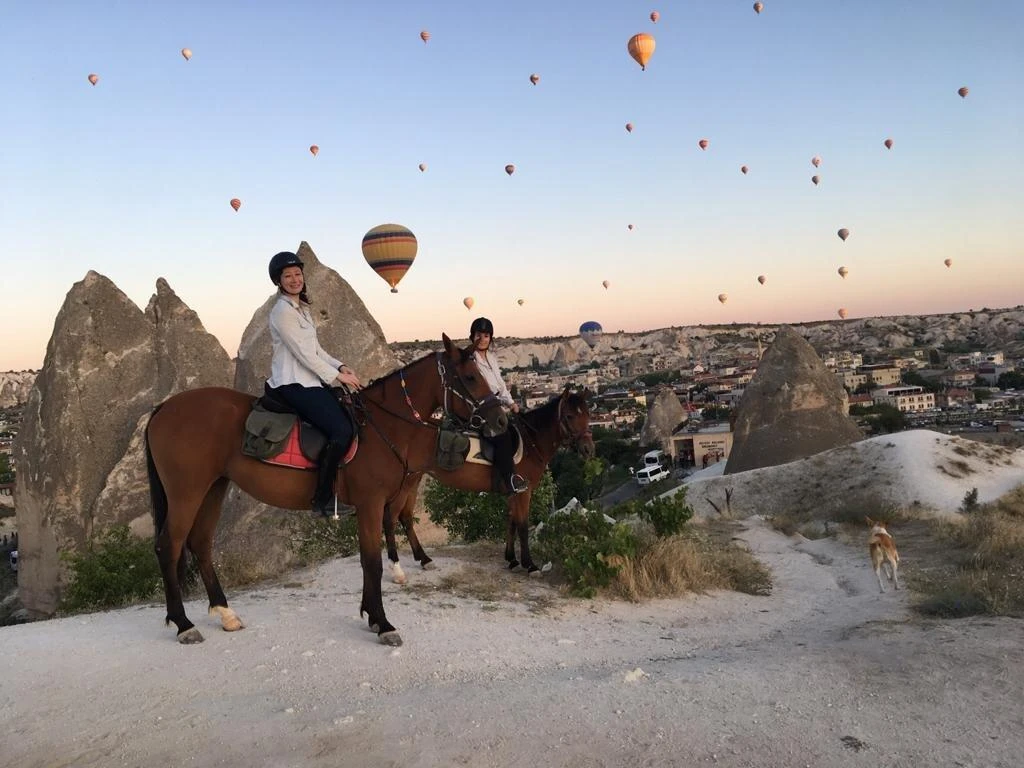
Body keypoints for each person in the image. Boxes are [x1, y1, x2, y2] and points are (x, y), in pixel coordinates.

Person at [265, 251, 362, 516]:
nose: (295, 279)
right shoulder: (282, 312)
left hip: (310, 381)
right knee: (341, 430)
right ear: (279, 281)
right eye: (288, 276)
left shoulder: (302, 309)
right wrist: (337, 377)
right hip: (293, 383)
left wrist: (340, 365)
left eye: (298, 274)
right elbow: (303, 354)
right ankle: (323, 500)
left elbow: (316, 349)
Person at [469, 317, 527, 494]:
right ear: (472, 337)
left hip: (495, 407)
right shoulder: (471, 361)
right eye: (479, 335)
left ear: (490, 338)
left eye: (486, 335)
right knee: (502, 436)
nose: (482, 339)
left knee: (517, 429)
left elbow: (500, 385)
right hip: (479, 409)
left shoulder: (492, 359)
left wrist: (511, 403)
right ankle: (509, 479)